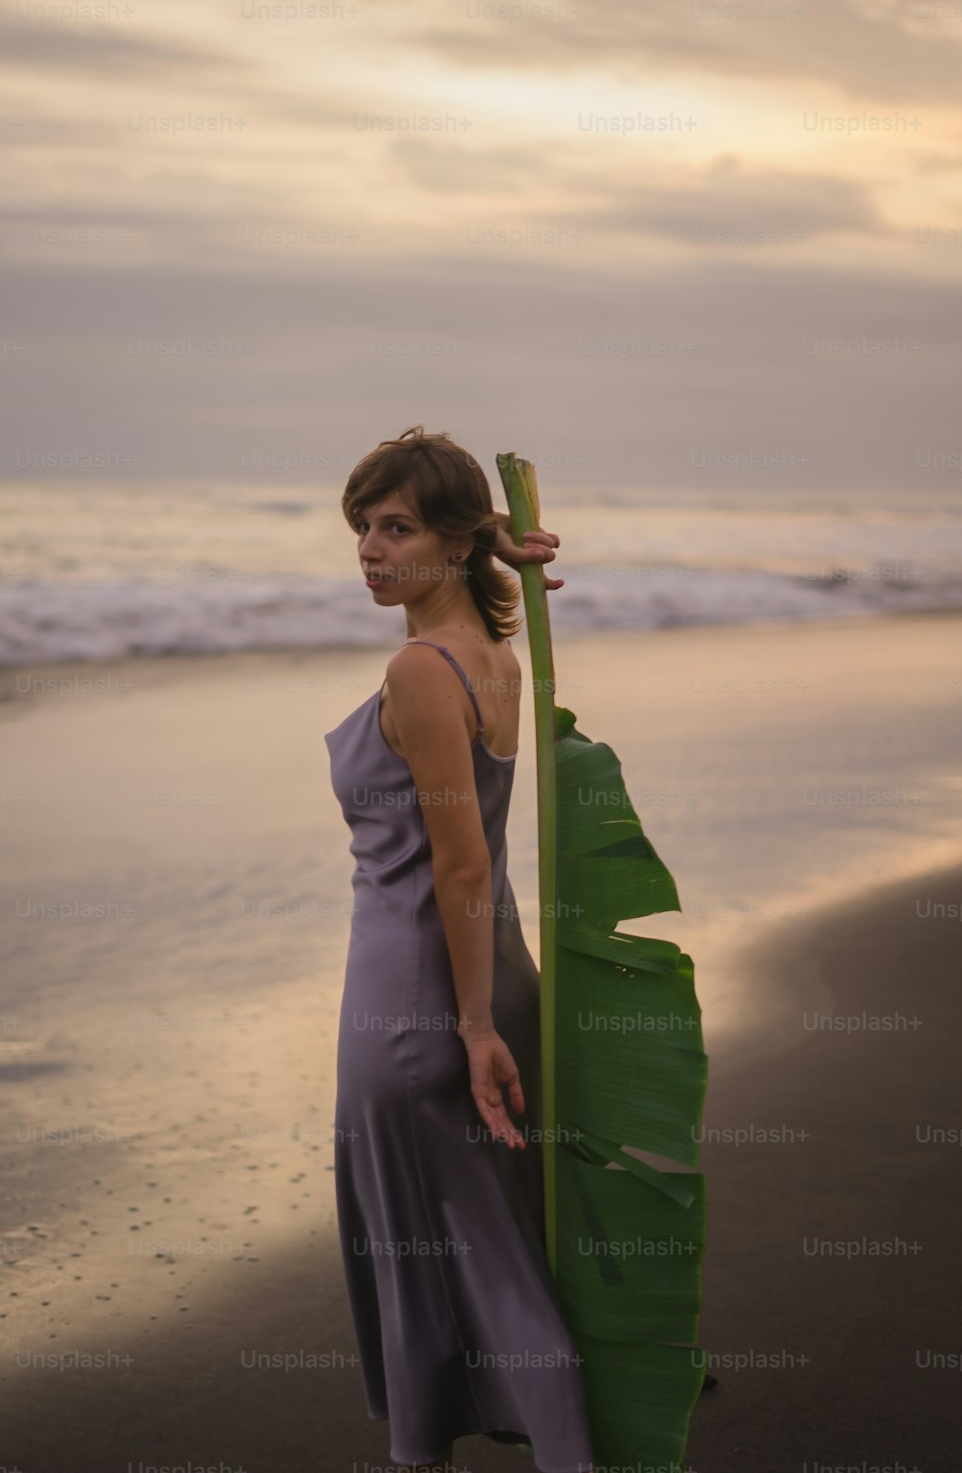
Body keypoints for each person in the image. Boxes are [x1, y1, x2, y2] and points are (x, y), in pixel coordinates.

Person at [324, 426, 595, 1473]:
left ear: (447, 537)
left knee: (444, 1253)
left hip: (418, 1002)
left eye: (397, 529)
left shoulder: (420, 670)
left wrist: (471, 1027)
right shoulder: (491, 655)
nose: (370, 549)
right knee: (493, 1247)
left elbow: (463, 867)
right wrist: (498, 561)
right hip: (486, 982)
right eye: (363, 528)